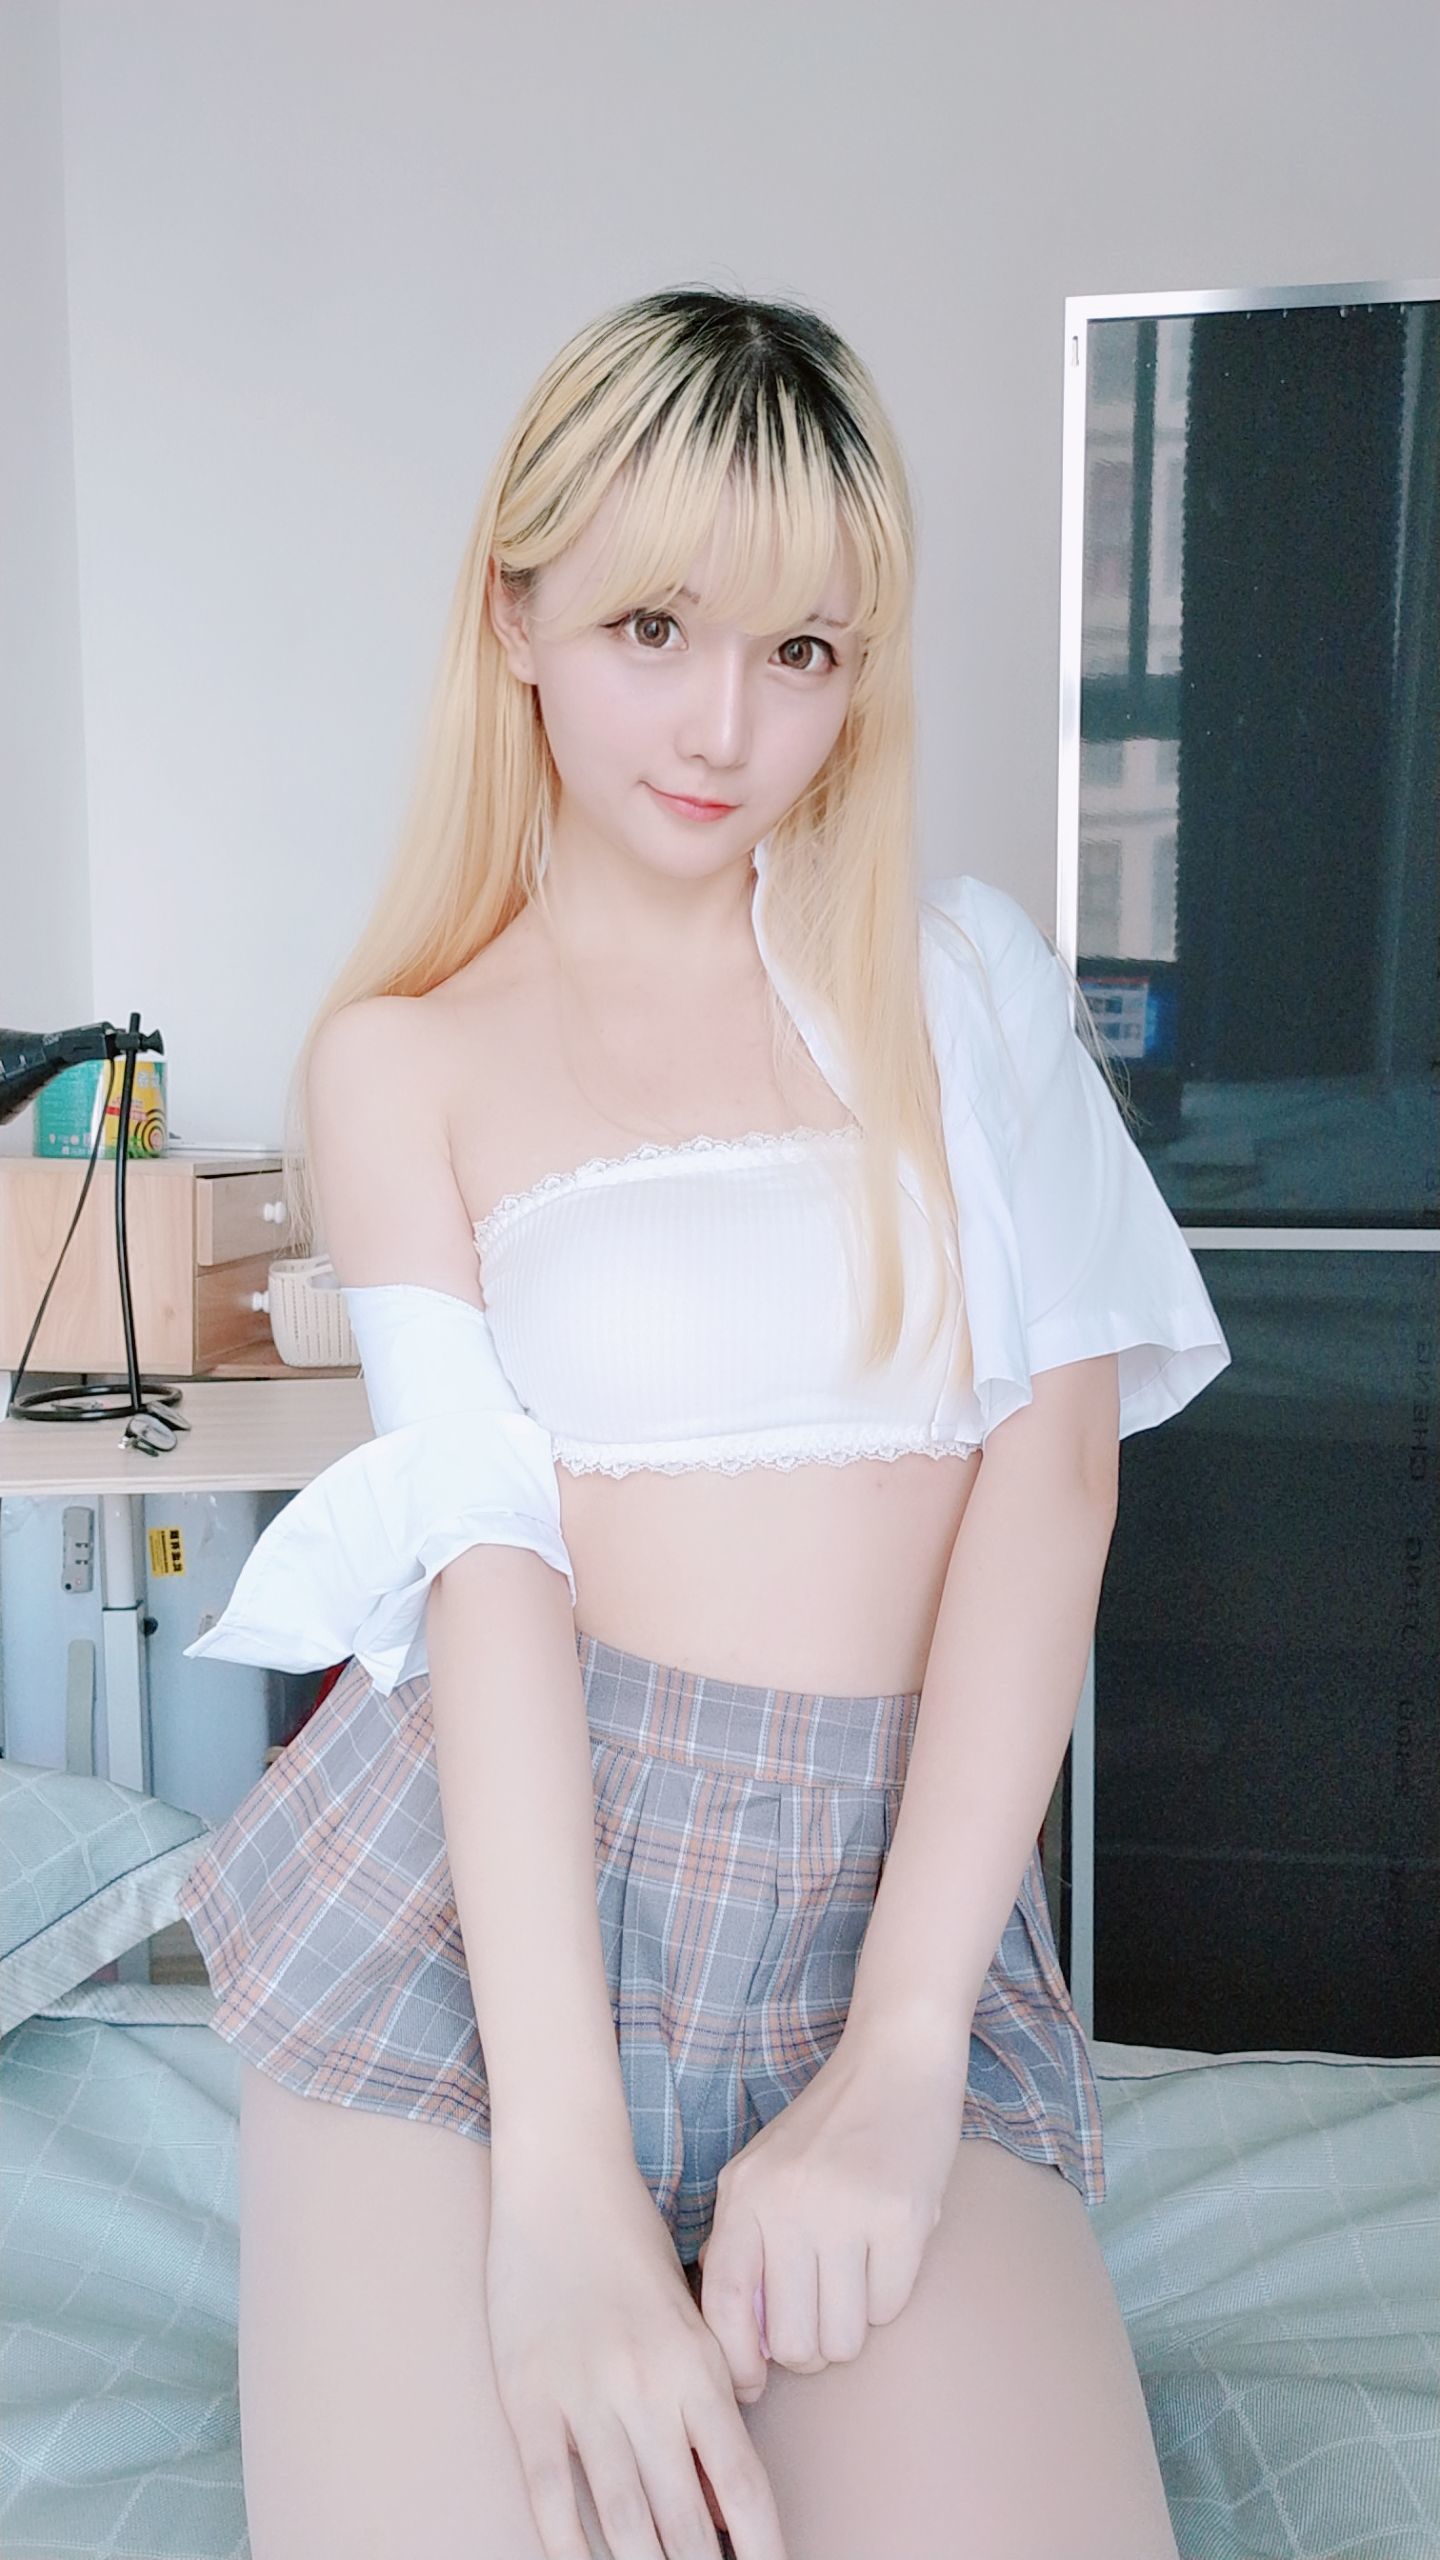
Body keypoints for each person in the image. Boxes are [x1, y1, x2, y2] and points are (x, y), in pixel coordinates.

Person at [176, 284, 1230, 2560]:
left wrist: (908, 2045)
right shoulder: (402, 1059)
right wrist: (560, 2187)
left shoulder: (960, 981)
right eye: (655, 626)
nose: (727, 725)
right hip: (474, 1921)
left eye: (803, 651)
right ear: (518, 613)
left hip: (891, 1900)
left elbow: (1052, 1483)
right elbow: (488, 1569)